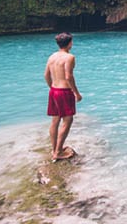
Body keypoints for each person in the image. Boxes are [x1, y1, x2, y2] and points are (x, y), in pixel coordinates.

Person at [44, 32, 82, 161]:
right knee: (68, 120)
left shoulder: (52, 57)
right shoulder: (69, 57)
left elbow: (46, 75)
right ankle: (58, 152)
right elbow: (68, 76)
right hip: (64, 91)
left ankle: (54, 149)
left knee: (55, 120)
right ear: (70, 43)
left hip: (54, 90)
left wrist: (52, 88)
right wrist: (76, 93)